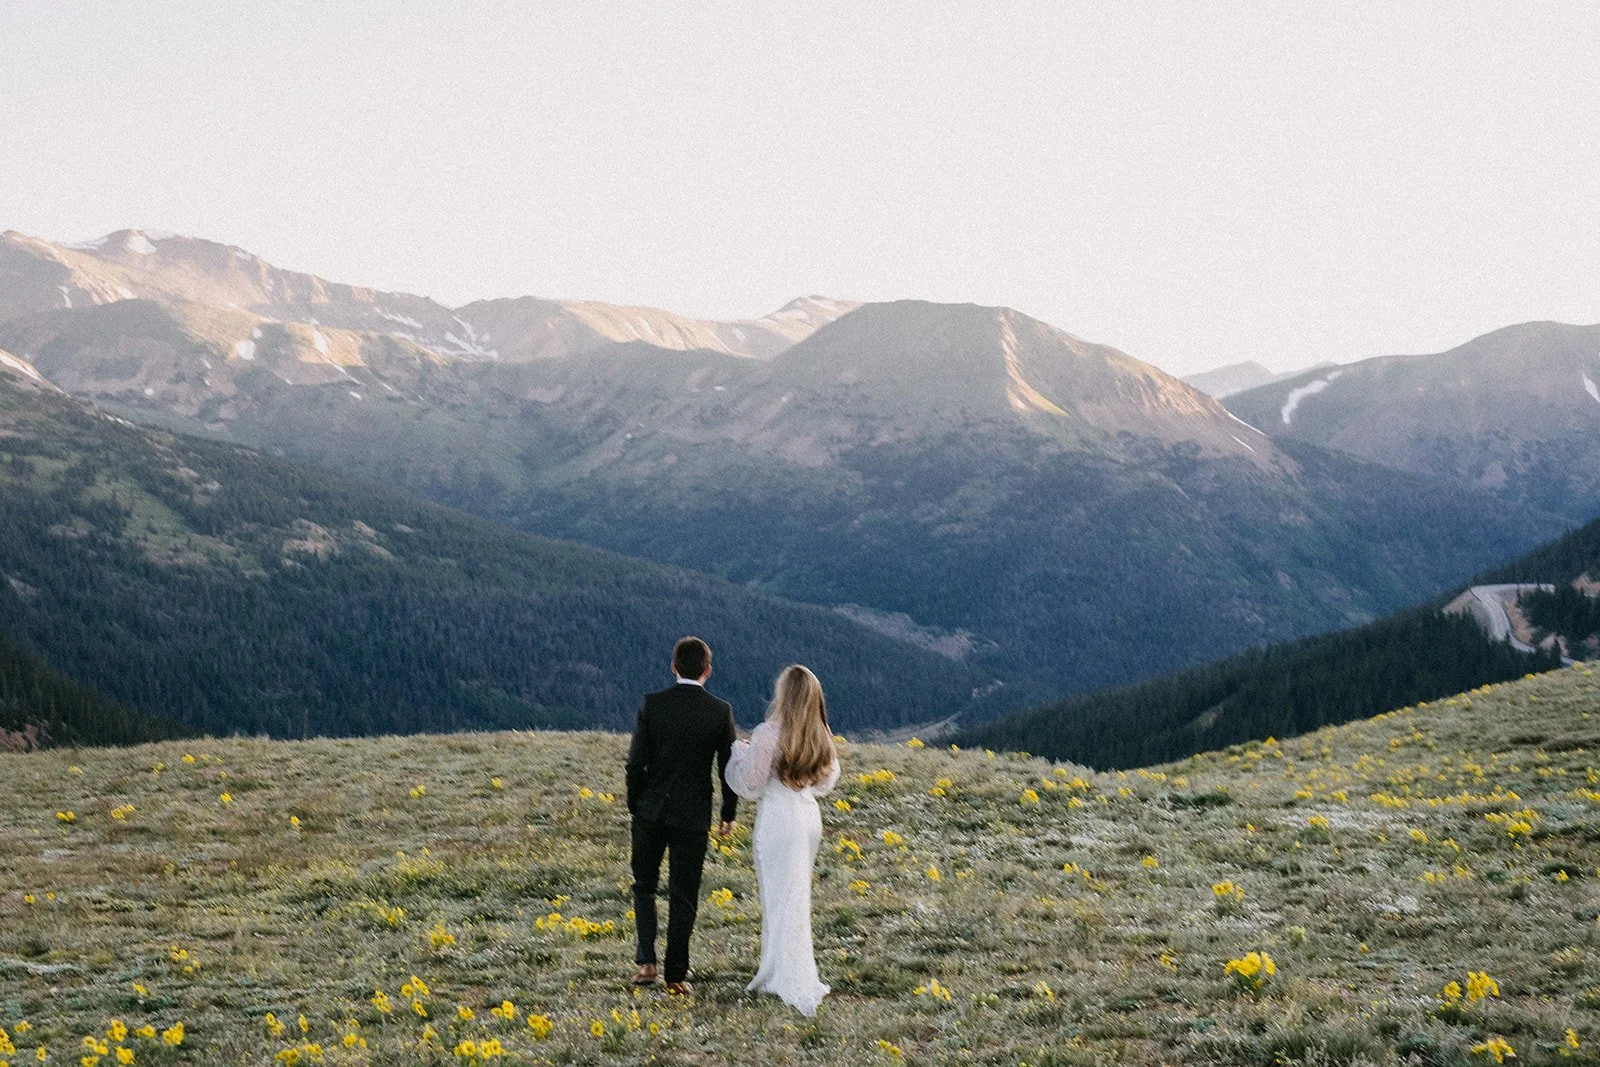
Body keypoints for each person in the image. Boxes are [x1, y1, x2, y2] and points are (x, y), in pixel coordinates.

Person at [724, 664, 841, 1016]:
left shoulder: (768, 733)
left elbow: (752, 784)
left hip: (778, 818)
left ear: (783, 695)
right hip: (806, 816)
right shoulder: (820, 733)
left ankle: (783, 975)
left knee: (778, 897)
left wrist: (740, 754)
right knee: (795, 896)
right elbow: (825, 782)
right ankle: (787, 970)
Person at [625, 636, 737, 995]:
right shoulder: (720, 711)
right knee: (683, 894)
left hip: (650, 811)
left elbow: (635, 762)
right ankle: (676, 975)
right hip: (693, 814)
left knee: (644, 885)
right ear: (708, 670)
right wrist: (728, 812)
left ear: (673, 666)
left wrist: (635, 803)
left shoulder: (652, 705)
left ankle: (646, 962)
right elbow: (728, 768)